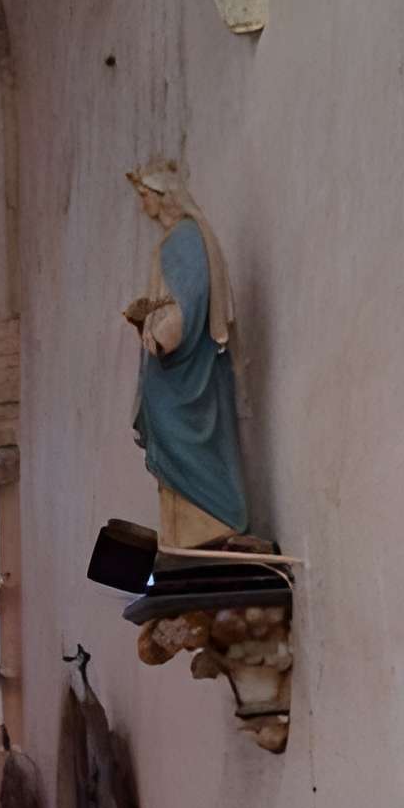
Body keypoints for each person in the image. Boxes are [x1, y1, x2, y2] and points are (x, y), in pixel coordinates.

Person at [119, 164, 254, 549]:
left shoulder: (184, 238)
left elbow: (190, 300)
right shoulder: (173, 239)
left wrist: (160, 337)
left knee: (177, 430)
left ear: (163, 197)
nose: (141, 202)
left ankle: (213, 520)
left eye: (145, 194)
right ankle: (182, 532)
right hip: (172, 366)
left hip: (184, 367)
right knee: (167, 435)